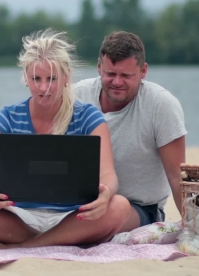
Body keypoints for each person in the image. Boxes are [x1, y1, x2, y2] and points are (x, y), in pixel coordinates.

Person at [0, 28, 134, 250]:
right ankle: (48, 242)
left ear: (66, 77)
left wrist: (105, 195)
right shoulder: (6, 118)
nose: (43, 88)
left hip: (73, 216)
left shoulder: (89, 117)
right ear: (26, 79)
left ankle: (21, 246)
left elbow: (109, 175)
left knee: (119, 206)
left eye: (52, 79)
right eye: (36, 79)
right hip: (18, 216)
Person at [74, 31, 187, 231]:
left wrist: (195, 228)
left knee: (115, 208)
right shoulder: (76, 95)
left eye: (126, 75)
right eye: (110, 74)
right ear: (99, 67)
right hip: (78, 202)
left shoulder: (161, 105)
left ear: (143, 71)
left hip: (139, 208)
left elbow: (177, 176)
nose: (117, 82)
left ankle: (35, 245)